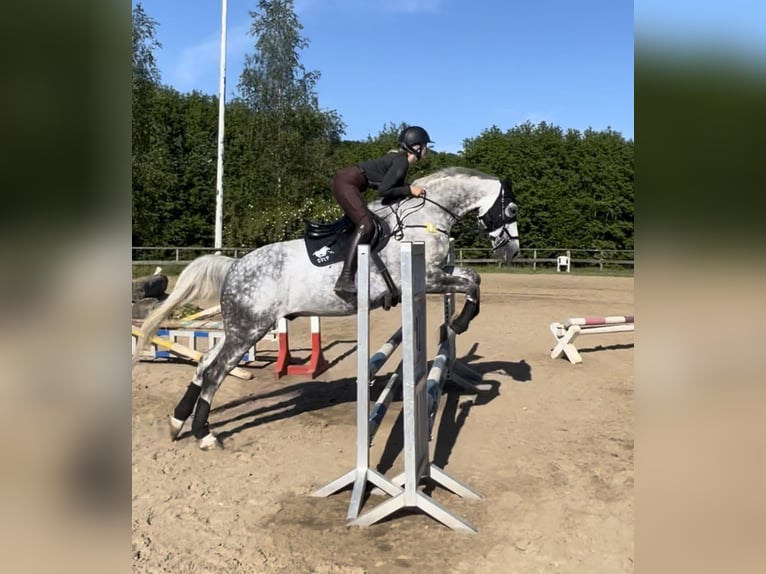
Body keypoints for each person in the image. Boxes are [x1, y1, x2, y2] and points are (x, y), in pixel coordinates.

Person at [332, 125, 433, 299]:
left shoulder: (399, 160)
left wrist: (407, 191)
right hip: (346, 183)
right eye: (425, 145)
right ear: (417, 147)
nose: (427, 149)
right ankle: (345, 278)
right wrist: (409, 190)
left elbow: (389, 195)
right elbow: (384, 192)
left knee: (374, 224)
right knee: (366, 225)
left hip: (348, 181)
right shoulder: (401, 161)